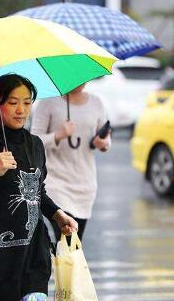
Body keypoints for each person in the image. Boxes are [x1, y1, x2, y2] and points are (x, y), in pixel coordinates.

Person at [0, 74, 78, 301]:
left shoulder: (35, 144)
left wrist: (58, 215)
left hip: (31, 261)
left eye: (27, 102)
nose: (21, 110)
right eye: (12, 103)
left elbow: (37, 192)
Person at [30, 84, 111, 243]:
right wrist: (58, 135)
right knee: (67, 240)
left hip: (84, 185)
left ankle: (64, 267)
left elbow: (106, 138)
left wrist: (103, 143)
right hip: (56, 184)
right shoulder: (48, 102)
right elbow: (34, 141)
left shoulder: (96, 102)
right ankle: (61, 267)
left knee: (75, 243)